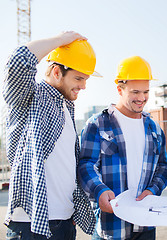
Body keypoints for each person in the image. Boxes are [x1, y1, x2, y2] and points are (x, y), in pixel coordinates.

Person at [2, 31, 99, 239]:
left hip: (64, 223)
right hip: (31, 224)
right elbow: (18, 60)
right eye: (79, 78)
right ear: (56, 72)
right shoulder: (30, 97)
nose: (83, 86)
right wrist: (60, 41)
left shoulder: (67, 107)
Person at [78, 55, 167, 240]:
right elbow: (86, 165)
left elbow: (163, 166)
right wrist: (99, 190)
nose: (142, 98)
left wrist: (152, 191)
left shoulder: (154, 129)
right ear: (119, 89)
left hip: (145, 225)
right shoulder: (97, 124)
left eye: (146, 92)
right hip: (111, 227)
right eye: (135, 92)